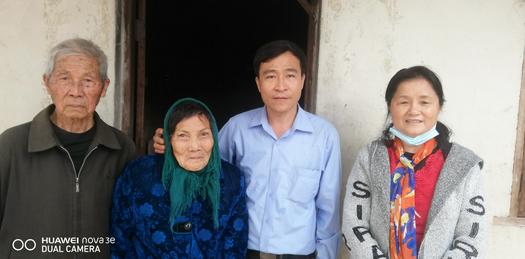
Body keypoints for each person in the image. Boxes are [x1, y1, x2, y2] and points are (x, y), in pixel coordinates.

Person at [153, 40, 342, 258]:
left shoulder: (324, 136)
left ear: (302, 80)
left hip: (300, 254)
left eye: (290, 75)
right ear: (258, 83)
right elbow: (203, 169)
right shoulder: (237, 128)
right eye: (270, 76)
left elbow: (329, 210)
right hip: (243, 250)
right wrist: (170, 146)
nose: (280, 86)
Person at [0, 38, 136, 259]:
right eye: (65, 78)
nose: (76, 91)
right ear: (48, 82)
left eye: (88, 81)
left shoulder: (122, 149)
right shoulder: (11, 145)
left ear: (104, 87)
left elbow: (133, 225)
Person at [342, 66, 486, 258]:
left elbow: (472, 237)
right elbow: (354, 223)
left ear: (439, 107)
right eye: (403, 102)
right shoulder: (370, 157)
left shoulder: (464, 164)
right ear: (390, 106)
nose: (414, 110)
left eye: (424, 102)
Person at [111, 98, 248, 258]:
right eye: (183, 136)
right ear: (169, 140)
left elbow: (235, 247)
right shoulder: (140, 175)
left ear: (214, 138)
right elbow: (119, 238)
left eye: (204, 134)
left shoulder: (231, 179)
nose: (195, 146)